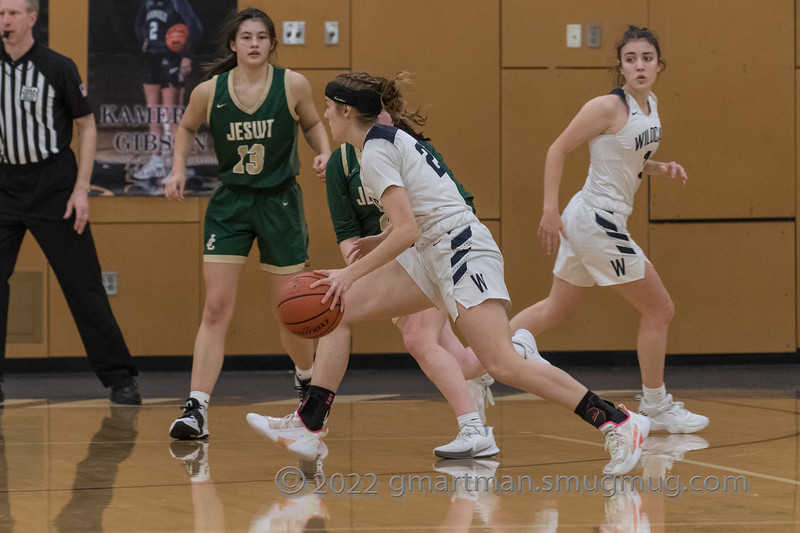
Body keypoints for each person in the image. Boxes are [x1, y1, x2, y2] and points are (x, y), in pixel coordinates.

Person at [248, 71, 650, 476]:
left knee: (502, 365)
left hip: (461, 249)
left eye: (330, 109)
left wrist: (351, 272)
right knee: (336, 306)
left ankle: (616, 421)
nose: (326, 117)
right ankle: (310, 423)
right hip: (433, 249)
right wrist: (375, 242)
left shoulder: (373, 153)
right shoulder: (385, 141)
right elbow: (424, 208)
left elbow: (410, 228)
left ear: (347, 110)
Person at [508, 26, 708, 434]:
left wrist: (656, 167)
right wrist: (549, 209)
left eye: (647, 58)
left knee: (558, 308)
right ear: (619, 65)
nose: (639, 65)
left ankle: (478, 362)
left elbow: (625, 157)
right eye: (631, 58)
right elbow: (557, 149)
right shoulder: (606, 106)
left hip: (596, 218)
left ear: (658, 65)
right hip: (597, 219)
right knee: (660, 309)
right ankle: (655, 404)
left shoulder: (650, 103)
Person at [319, 107, 548, 458]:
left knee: (418, 339)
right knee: (465, 361)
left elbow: (457, 205)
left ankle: (472, 428)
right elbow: (348, 235)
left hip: (437, 250)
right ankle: (517, 349)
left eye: (383, 116)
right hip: (388, 263)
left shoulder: (409, 149)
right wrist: (361, 272)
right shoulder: (341, 164)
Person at [164, 7, 331, 440]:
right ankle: (195, 409)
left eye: (262, 37)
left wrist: (325, 150)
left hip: (280, 203)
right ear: (233, 45)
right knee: (216, 307)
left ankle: (307, 377)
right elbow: (184, 128)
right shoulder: (209, 90)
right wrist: (177, 168)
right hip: (231, 203)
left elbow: (312, 122)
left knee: (291, 313)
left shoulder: (292, 84)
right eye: (246, 37)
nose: (254, 43)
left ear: (272, 44)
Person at [0, 0, 141, 405]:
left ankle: (120, 377)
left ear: (31, 18)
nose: (5, 21)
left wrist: (81, 188)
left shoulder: (57, 66)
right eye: (0, 13)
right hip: (6, 184)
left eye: (12, 13)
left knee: (83, 284)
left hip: (53, 184)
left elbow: (87, 126)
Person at [132, 0, 203, 182]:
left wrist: (187, 55)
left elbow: (195, 27)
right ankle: (156, 161)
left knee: (171, 115)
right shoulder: (148, 3)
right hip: (151, 60)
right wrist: (143, 39)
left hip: (171, 59)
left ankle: (177, 166)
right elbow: (139, 23)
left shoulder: (177, 2)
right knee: (153, 113)